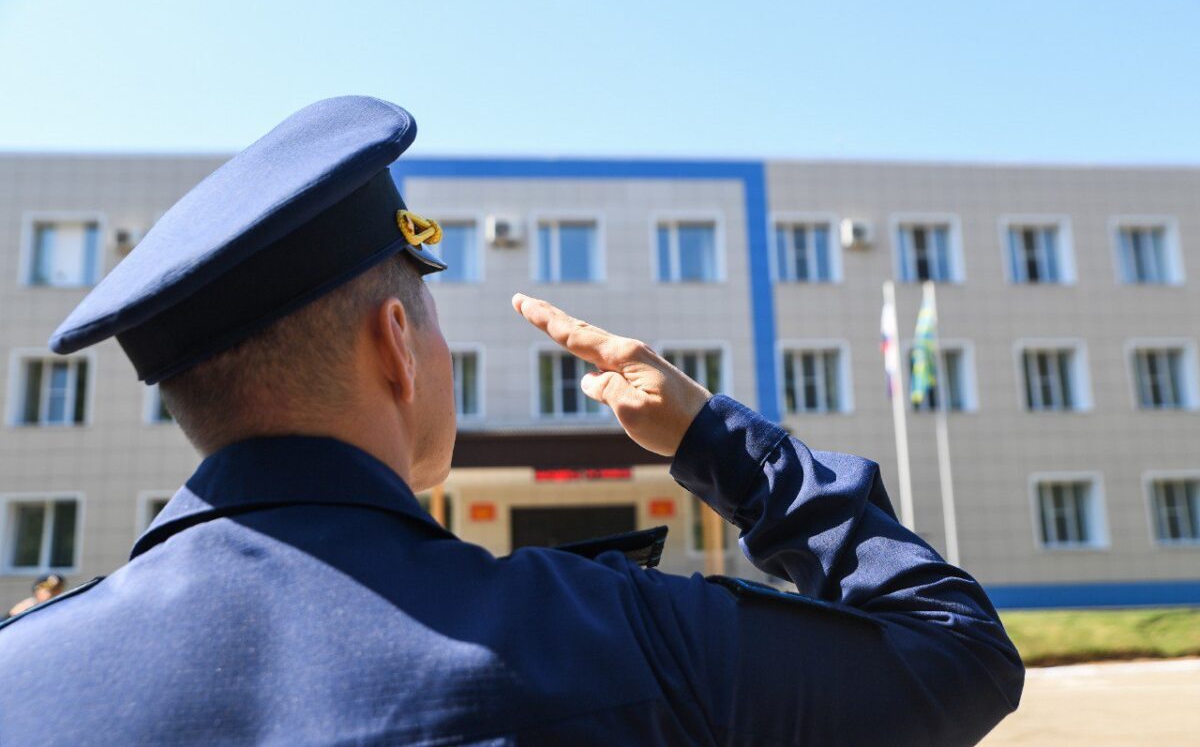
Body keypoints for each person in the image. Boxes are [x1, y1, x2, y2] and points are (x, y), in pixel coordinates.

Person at [0, 96, 1023, 745]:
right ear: (397, 344)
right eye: (436, 320)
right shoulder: (612, 636)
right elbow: (955, 652)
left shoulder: (22, 679)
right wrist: (722, 443)